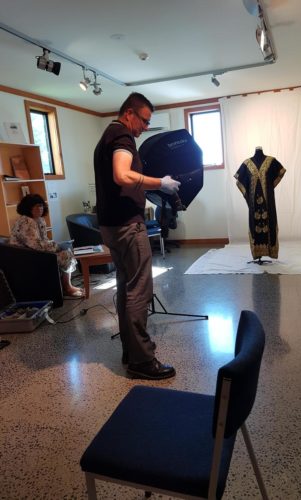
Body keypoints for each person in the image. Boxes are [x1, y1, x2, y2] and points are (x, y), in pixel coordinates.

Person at [94, 92, 180, 380]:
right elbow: (121, 174)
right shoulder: (122, 136)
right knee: (139, 291)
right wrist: (160, 183)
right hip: (127, 226)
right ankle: (142, 361)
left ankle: (131, 352)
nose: (145, 127)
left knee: (125, 285)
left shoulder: (108, 135)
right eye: (144, 120)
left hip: (111, 225)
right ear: (129, 113)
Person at [10, 193, 84, 298]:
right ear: (28, 208)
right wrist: (56, 247)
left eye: (41, 205)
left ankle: (65, 286)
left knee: (66, 251)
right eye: (36, 206)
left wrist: (57, 246)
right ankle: (67, 287)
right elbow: (36, 245)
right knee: (66, 255)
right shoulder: (25, 222)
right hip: (25, 257)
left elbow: (44, 241)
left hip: (35, 252)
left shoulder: (40, 220)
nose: (40, 208)